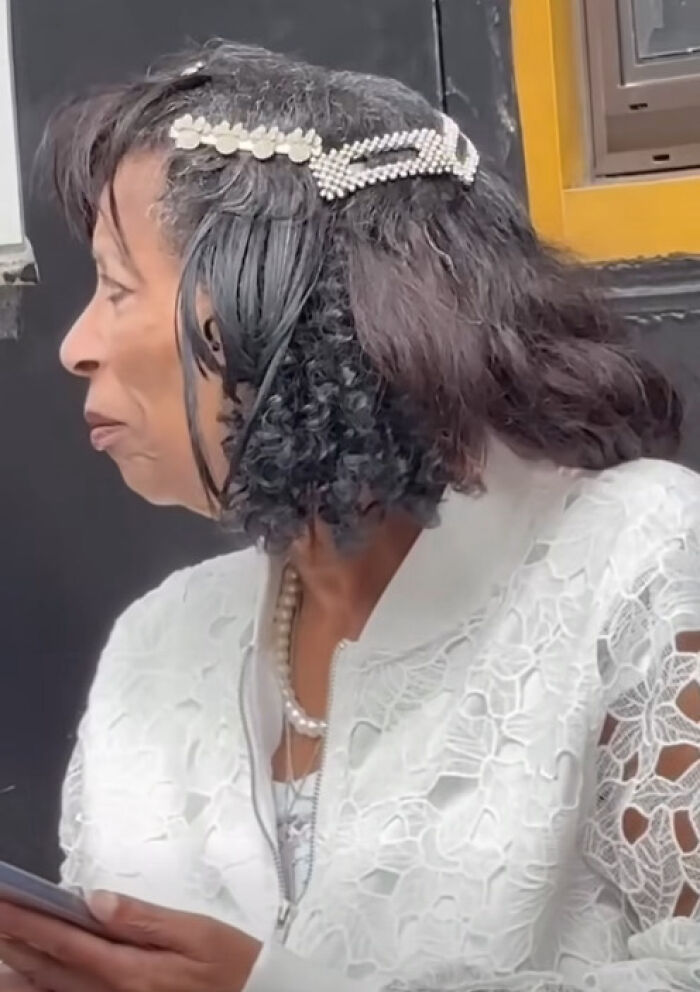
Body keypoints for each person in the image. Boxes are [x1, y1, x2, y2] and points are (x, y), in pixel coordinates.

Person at [0, 40, 698, 992]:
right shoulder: (153, 647)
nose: (75, 345)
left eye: (120, 287)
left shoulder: (639, 562)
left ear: (298, 302)